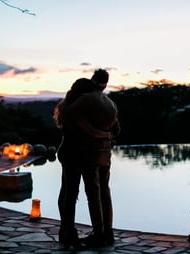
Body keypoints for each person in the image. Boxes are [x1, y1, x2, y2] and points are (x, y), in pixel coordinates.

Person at [53, 70, 120, 249]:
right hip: (99, 154)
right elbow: (116, 130)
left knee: (71, 192)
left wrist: (96, 132)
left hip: (80, 153)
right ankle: (105, 232)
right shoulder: (110, 103)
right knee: (99, 192)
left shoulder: (78, 104)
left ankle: (72, 231)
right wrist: (104, 134)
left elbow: (68, 119)